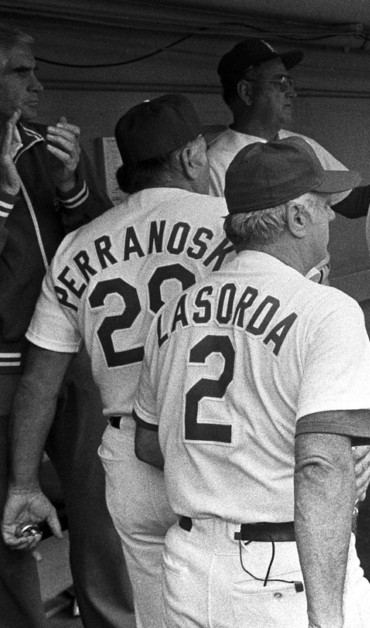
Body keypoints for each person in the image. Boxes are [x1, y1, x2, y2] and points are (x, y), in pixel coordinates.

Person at [133, 137, 370, 627]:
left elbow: (149, 443)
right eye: (323, 206)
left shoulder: (172, 311)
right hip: (281, 576)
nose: (331, 217)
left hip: (188, 566)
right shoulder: (326, 310)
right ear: (295, 217)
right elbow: (320, 469)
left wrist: (237, 459)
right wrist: (326, 616)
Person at [3, 94, 232, 628]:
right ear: (193, 156)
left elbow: (39, 380)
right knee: (232, 600)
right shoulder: (236, 226)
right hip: (219, 448)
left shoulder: (79, 244)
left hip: (128, 456)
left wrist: (22, 484)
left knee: (148, 613)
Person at [0, 23, 126, 628]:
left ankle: (109, 617)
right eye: (19, 72)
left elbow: (104, 238)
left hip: (69, 352)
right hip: (4, 366)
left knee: (99, 503)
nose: (36, 84)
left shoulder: (42, 146)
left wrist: (76, 185)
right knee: (14, 523)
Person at [207, 38, 370, 284]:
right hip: (267, 297)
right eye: (280, 82)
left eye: (290, 82)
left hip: (317, 287)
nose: (291, 91)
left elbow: (352, 202)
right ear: (246, 91)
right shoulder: (214, 163)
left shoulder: (298, 144)